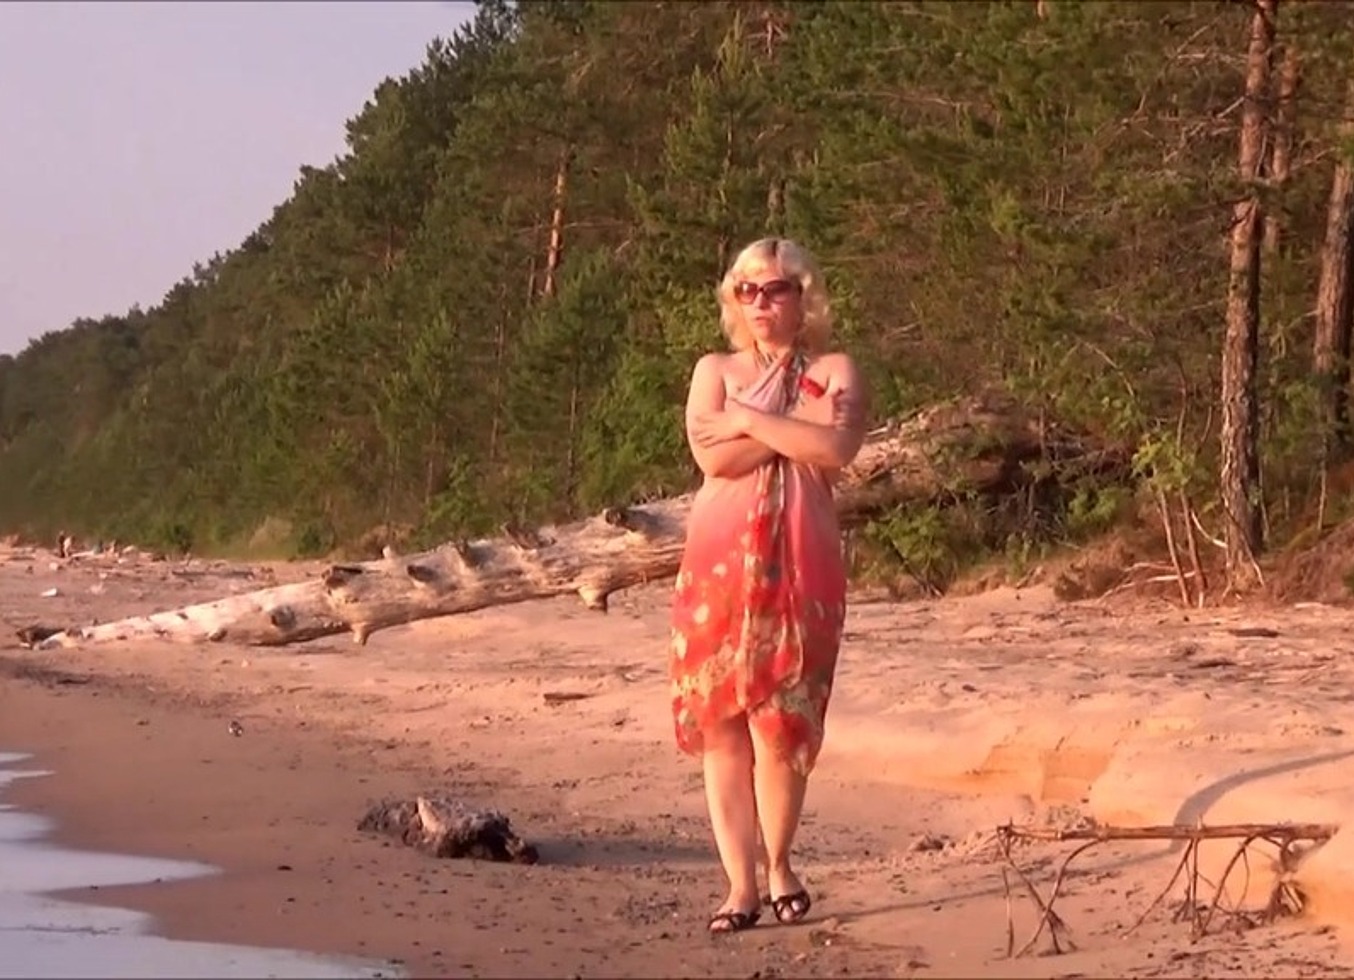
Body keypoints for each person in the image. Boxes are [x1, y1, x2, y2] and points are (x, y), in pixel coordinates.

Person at [669, 237, 870, 934]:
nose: (760, 302)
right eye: (747, 290)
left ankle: (781, 862)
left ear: (804, 295)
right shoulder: (713, 369)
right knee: (722, 722)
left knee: (782, 722)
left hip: (801, 561)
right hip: (717, 563)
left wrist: (749, 419)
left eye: (776, 289)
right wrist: (795, 428)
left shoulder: (835, 367)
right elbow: (710, 457)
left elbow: (836, 450)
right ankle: (739, 885)